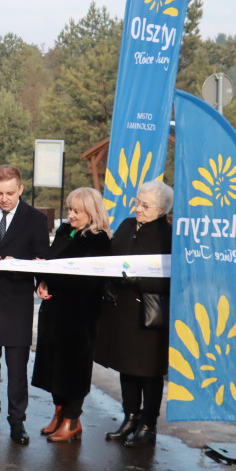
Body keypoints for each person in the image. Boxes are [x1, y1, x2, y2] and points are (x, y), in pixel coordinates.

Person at [0, 165, 50, 445]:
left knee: (17, 368)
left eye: (10, 193)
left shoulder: (36, 219)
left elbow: (42, 256)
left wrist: (42, 280)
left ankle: (17, 421)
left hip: (16, 303)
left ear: (21, 189)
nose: (4, 199)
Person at [95, 180, 173, 447]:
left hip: (150, 314)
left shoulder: (168, 235)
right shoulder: (128, 226)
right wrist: (110, 281)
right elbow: (112, 258)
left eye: (145, 205)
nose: (138, 208)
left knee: (149, 372)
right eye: (137, 202)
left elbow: (172, 278)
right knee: (126, 367)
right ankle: (130, 416)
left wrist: (138, 280)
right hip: (123, 310)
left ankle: (149, 424)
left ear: (162, 209)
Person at [31, 187, 112, 443]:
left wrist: (50, 276)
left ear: (92, 212)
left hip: (80, 316)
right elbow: (53, 262)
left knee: (74, 368)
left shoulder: (99, 240)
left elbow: (85, 280)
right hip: (55, 311)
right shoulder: (65, 231)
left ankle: (72, 419)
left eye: (77, 211)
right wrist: (42, 281)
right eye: (70, 209)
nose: (71, 215)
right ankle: (59, 413)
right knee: (53, 365)